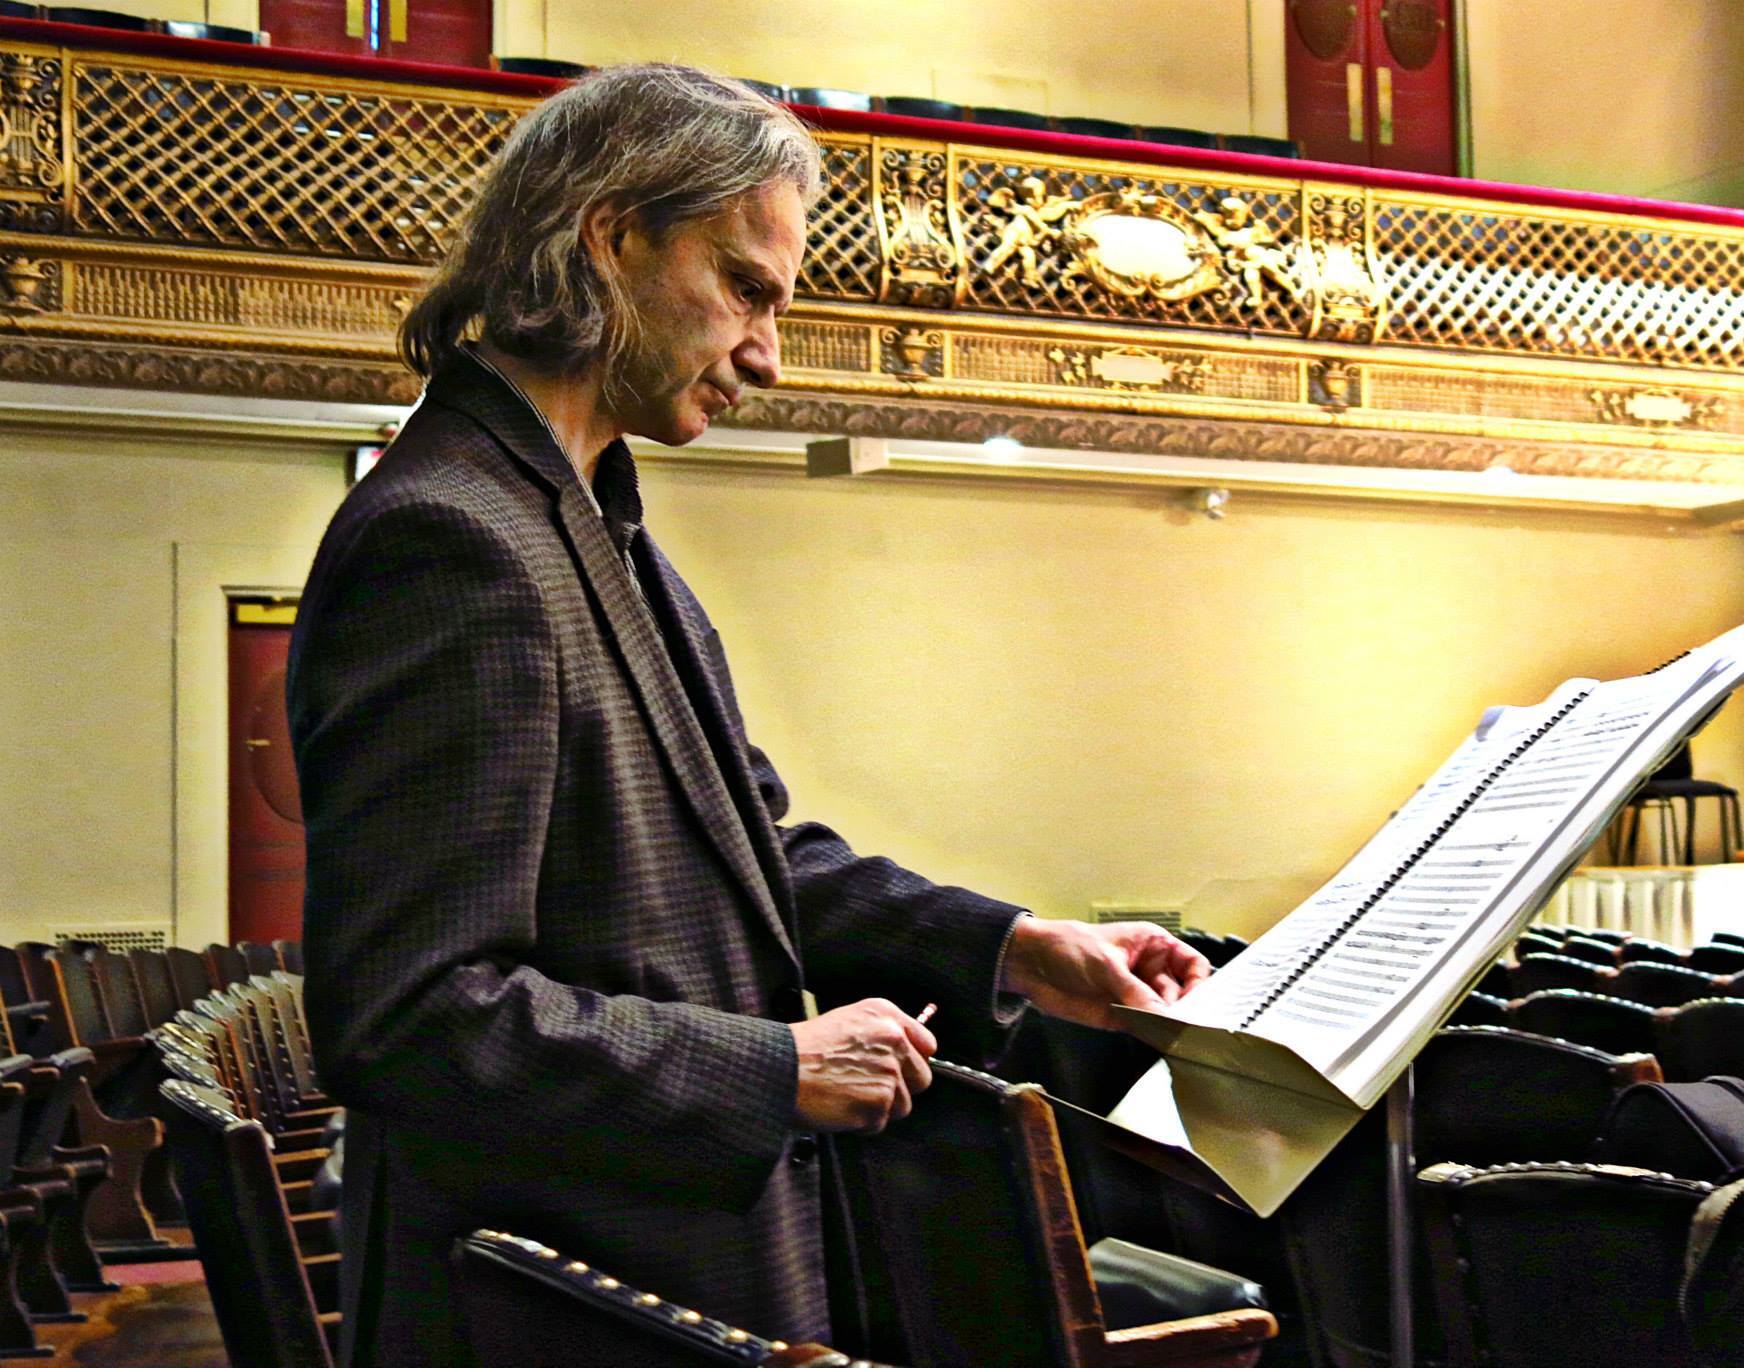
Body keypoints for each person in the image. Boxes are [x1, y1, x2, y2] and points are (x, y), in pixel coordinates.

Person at [286, 64, 1209, 1367]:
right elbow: (416, 1020)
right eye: (747, 287)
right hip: (560, 1308)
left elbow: (752, 855)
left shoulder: (588, 521)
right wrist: (775, 1067)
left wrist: (1016, 946)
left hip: (655, 1264)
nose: (769, 352)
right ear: (611, 234)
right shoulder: (452, 538)